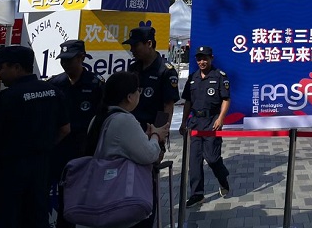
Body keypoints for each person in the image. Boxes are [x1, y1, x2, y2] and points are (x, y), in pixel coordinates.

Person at [0, 45, 70, 227]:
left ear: (17, 67)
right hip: (40, 169)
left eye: (1, 68)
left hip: (8, 173)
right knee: (35, 219)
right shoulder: (53, 92)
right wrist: (42, 148)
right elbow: (65, 129)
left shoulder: (7, 98)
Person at [80, 71, 169, 228]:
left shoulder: (99, 117)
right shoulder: (124, 119)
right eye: (137, 91)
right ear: (129, 97)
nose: (139, 94)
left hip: (100, 195)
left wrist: (144, 137)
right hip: (121, 199)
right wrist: (156, 135)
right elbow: (149, 155)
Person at [48, 39, 105, 226]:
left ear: (81, 58)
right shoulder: (55, 84)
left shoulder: (96, 84)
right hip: (58, 148)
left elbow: (101, 118)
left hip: (83, 149)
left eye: (69, 60)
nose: (65, 64)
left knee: (78, 196)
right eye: (62, 60)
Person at [180, 46, 231, 207]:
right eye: (199, 59)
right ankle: (197, 194)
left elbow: (226, 99)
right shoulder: (193, 78)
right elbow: (188, 101)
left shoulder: (219, 76)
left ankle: (222, 178)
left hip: (212, 122)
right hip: (195, 122)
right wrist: (183, 122)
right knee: (194, 161)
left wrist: (221, 118)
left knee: (212, 158)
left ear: (211, 59)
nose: (202, 62)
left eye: (205, 58)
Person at [123, 21, 180, 130]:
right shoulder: (133, 68)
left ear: (149, 44)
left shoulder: (166, 71)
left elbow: (167, 105)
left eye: (135, 45)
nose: (132, 50)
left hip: (151, 129)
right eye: (131, 46)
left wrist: (159, 132)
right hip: (131, 127)